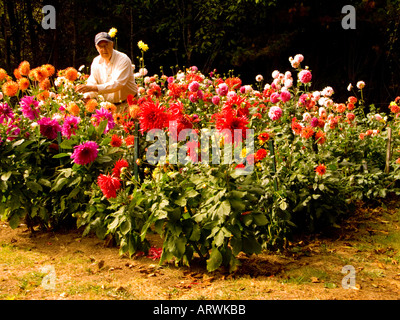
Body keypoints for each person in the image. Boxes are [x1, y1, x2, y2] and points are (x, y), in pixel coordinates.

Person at [76, 32, 137, 112]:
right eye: (100, 47)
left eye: (106, 45)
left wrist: (93, 88)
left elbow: (117, 84)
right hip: (109, 109)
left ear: (112, 45)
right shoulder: (96, 62)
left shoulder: (123, 59)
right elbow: (92, 82)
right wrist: (86, 96)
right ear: (96, 48)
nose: (104, 49)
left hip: (129, 106)